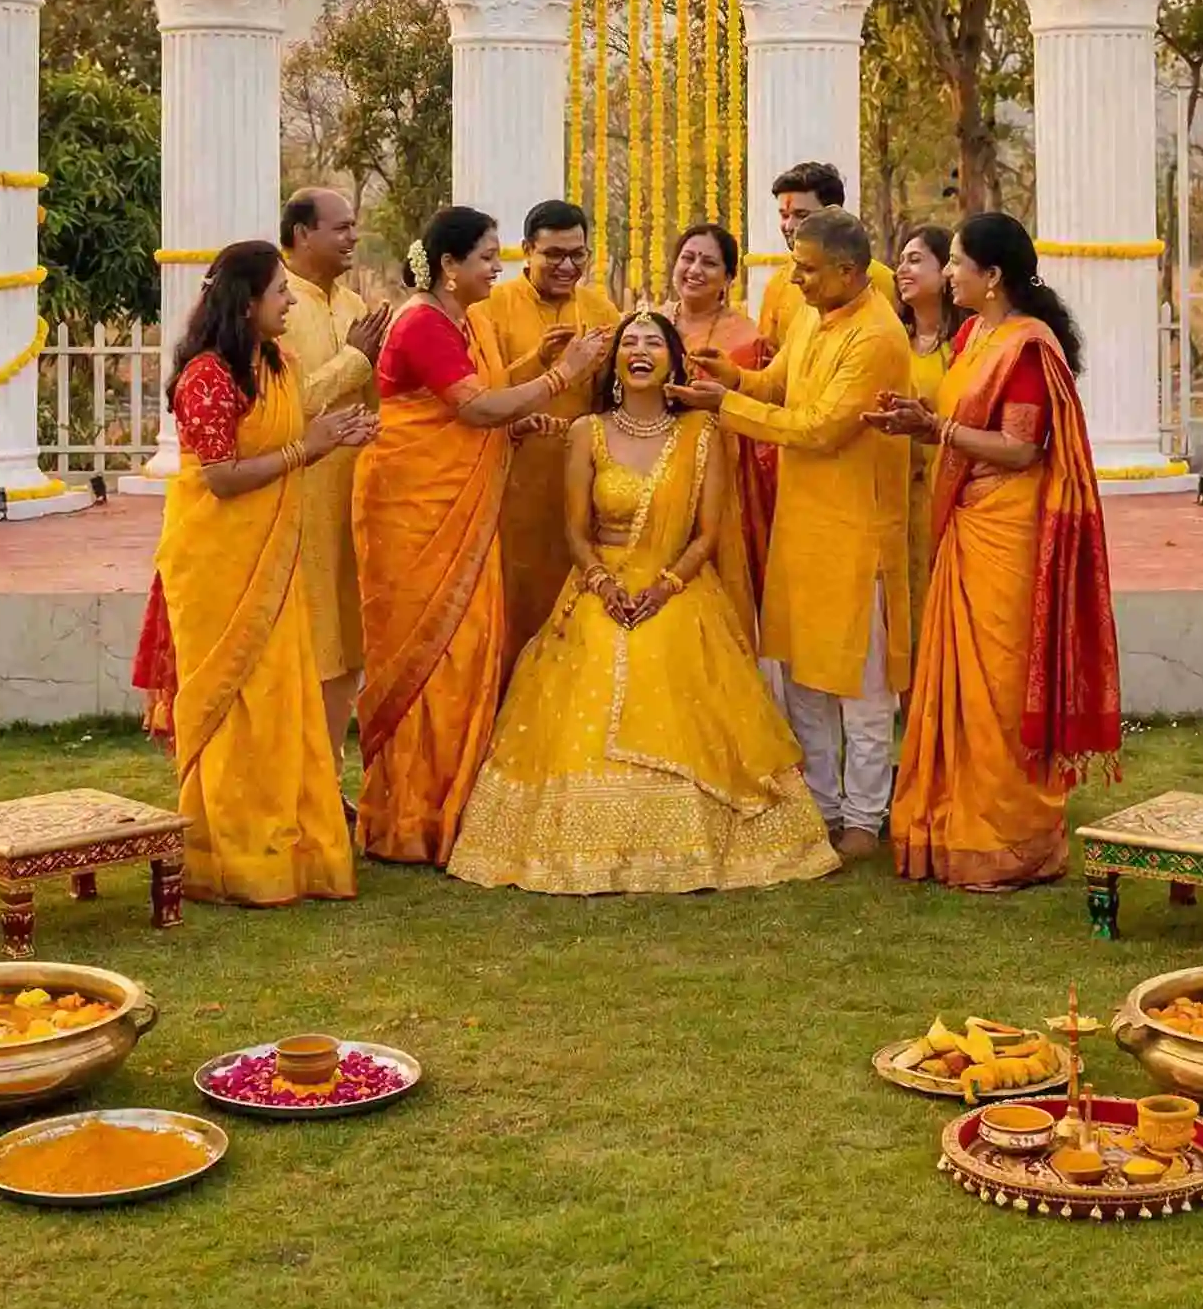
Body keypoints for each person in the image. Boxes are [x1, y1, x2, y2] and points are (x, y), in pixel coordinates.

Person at [447, 313, 838, 896]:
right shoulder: (587, 432)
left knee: (666, 652)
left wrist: (666, 586)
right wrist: (603, 585)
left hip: (676, 588)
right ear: (614, 362)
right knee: (595, 655)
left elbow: (706, 536)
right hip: (600, 585)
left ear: (674, 361)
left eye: (654, 342)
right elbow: (575, 532)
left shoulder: (702, 433)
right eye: (629, 342)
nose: (639, 351)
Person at [867, 213, 1121, 893]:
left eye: (955, 262)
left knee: (1001, 685)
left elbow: (1020, 448)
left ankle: (1011, 839)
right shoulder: (974, 335)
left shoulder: (1026, 348)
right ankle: (951, 824)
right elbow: (962, 431)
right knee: (957, 681)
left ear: (993, 275)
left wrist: (937, 428)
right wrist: (915, 424)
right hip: (968, 519)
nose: (947, 273)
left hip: (1008, 529)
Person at [354, 204, 610, 866]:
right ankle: (411, 817)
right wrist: (562, 375)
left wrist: (530, 367)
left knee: (465, 654)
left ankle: (447, 806)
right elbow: (474, 407)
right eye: (488, 257)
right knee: (434, 657)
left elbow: (478, 399)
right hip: (415, 514)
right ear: (448, 266)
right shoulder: (421, 324)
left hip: (452, 512)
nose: (498, 269)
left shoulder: (455, 320)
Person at [671, 208, 911, 861]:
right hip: (801, 528)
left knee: (859, 691)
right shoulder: (812, 313)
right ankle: (822, 807)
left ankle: (863, 818)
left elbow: (820, 429)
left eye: (806, 270)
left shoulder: (877, 338)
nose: (794, 282)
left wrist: (726, 407)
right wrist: (733, 378)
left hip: (856, 534)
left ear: (847, 271)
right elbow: (780, 388)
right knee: (803, 678)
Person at [150, 240, 376, 905]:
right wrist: (306, 449)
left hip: (272, 560)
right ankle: (232, 857)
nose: (288, 302)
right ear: (247, 303)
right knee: (233, 707)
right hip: (216, 564)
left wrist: (331, 435)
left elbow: (293, 423)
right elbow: (220, 479)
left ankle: (290, 848)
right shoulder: (206, 378)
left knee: (282, 702)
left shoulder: (275, 361)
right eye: (280, 292)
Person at [469, 199, 619, 673]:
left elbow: (611, 399)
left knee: (575, 611)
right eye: (554, 254)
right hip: (511, 481)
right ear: (527, 250)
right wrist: (538, 361)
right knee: (513, 607)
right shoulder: (490, 307)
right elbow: (476, 397)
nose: (567, 266)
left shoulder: (600, 309)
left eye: (578, 255)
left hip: (581, 482)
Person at [280, 188, 391, 787]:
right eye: (341, 228)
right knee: (302, 648)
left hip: (351, 500)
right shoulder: (272, 306)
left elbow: (376, 405)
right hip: (291, 502)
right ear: (301, 234)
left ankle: (324, 787)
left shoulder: (356, 307)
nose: (352, 238)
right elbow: (278, 409)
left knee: (348, 648)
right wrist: (354, 362)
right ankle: (292, 789)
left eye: (355, 227)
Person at [661, 220, 765, 646]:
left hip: (721, 471)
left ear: (728, 278)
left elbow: (754, 412)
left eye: (709, 263)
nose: (695, 270)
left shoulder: (746, 337)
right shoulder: (649, 322)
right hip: (653, 468)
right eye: (688, 258)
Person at [896, 223, 963, 648]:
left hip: (947, 488)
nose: (903, 269)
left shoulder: (963, 346)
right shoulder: (892, 341)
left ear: (946, 273)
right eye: (901, 259)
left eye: (916, 260)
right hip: (898, 490)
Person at [755, 162, 898, 352]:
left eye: (801, 215)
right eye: (784, 215)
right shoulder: (779, 284)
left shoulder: (880, 281)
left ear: (834, 214)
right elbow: (769, 360)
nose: (789, 226)